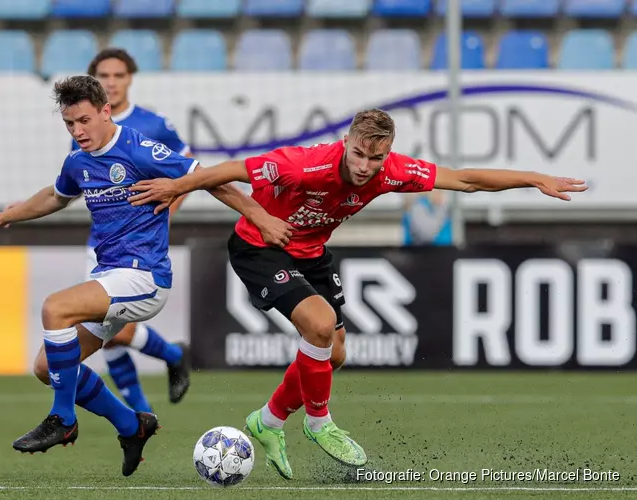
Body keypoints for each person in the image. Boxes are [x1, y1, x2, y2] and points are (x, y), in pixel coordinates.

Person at [126, 109, 588, 479]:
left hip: (310, 253)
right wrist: (176, 186)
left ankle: (266, 423)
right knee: (320, 324)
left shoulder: (393, 171)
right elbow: (227, 170)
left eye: (376, 158)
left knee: (335, 353)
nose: (366, 167)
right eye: (359, 155)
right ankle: (319, 423)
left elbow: (463, 179)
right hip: (259, 247)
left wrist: (533, 178)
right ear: (346, 143)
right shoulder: (302, 164)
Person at [0, 75, 290, 476]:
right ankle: (132, 425)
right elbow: (55, 196)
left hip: (145, 277)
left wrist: (262, 217)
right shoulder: (78, 161)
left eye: (84, 120)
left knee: (55, 309)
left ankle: (62, 419)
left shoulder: (138, 148)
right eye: (69, 124)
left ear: (105, 111)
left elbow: (211, 181)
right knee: (48, 367)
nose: (78, 131)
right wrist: (5, 216)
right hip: (111, 274)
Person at [84, 48, 193, 412]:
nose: (111, 82)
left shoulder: (153, 125)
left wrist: (168, 211)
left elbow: (188, 174)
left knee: (106, 323)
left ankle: (168, 362)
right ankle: (144, 409)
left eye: (118, 75)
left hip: (141, 249)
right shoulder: (84, 126)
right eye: (103, 75)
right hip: (100, 245)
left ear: (130, 78)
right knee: (107, 334)